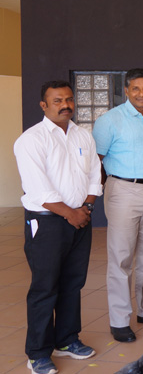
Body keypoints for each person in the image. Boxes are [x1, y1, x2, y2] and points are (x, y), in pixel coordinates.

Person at [14, 81, 102, 374]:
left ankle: (66, 340)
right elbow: (38, 188)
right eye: (57, 100)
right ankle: (38, 353)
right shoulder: (31, 140)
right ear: (44, 105)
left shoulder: (83, 135)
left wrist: (86, 208)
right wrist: (70, 214)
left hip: (81, 218)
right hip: (47, 223)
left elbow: (94, 175)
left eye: (69, 99)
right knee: (45, 286)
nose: (65, 105)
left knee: (73, 283)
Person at [93, 68, 143, 342]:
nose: (141, 94)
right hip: (123, 189)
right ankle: (119, 320)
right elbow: (96, 161)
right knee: (121, 258)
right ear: (126, 90)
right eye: (135, 88)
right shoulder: (109, 120)